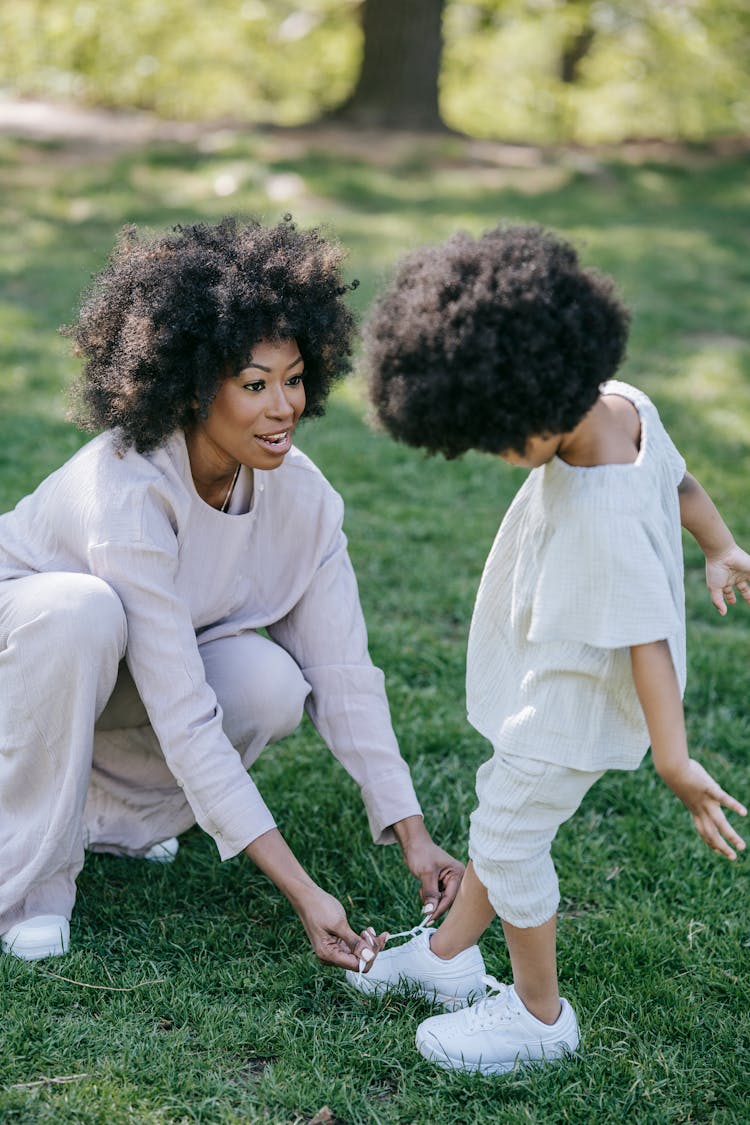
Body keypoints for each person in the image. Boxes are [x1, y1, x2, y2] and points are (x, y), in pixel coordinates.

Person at [0, 216, 463, 967]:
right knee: (80, 610)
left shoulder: (304, 501)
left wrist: (414, 833)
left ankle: (108, 817)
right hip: (21, 652)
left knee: (271, 682)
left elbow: (344, 676)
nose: (283, 407)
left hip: (109, 672)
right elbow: (182, 713)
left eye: (293, 379)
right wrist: (304, 892)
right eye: (254, 384)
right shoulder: (128, 486)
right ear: (189, 390)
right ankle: (29, 882)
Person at [345, 223, 750, 1074]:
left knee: (510, 838)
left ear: (533, 390)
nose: (497, 454)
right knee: (503, 821)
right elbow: (675, 477)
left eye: (498, 436)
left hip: (572, 698)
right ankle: (451, 956)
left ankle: (538, 1013)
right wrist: (719, 543)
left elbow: (647, 640)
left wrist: (675, 760)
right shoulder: (624, 402)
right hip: (560, 661)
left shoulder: (600, 513)